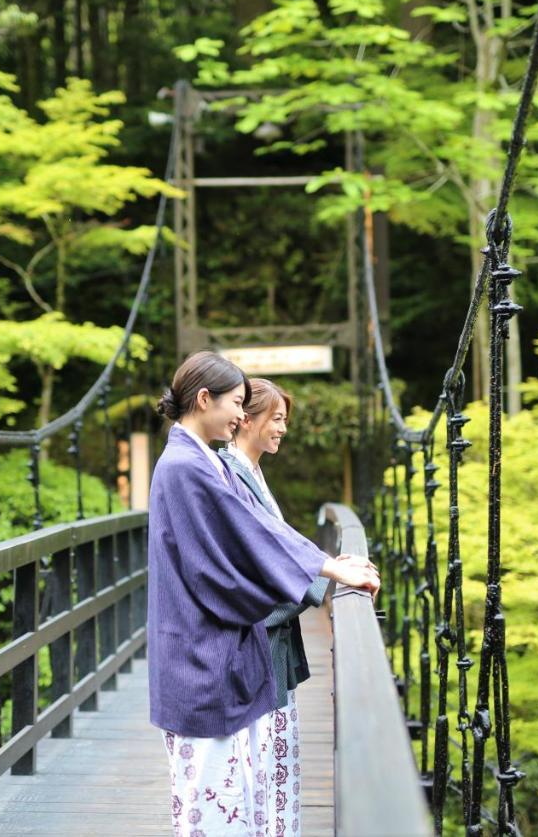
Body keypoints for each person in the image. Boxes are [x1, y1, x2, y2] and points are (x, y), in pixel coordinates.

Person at [147, 351, 379, 836]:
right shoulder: (187, 467)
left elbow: (259, 530)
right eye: (236, 403)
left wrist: (328, 566)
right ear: (205, 399)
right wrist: (328, 569)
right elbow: (248, 539)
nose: (239, 415)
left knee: (228, 801)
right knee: (212, 807)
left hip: (209, 652)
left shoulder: (202, 460)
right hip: (200, 658)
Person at [219, 379, 320, 837]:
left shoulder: (251, 472)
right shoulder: (231, 478)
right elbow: (255, 570)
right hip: (256, 648)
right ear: (247, 420)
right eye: (276, 419)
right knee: (261, 775)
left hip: (268, 647)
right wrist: (318, 580)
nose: (283, 429)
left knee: (270, 773)